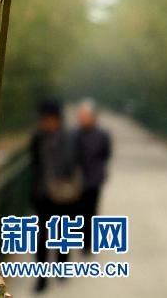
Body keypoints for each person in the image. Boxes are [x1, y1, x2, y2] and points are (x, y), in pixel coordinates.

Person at [30, 98, 81, 293]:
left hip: (63, 196)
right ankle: (41, 278)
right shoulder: (37, 138)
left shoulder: (68, 138)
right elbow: (34, 167)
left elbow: (72, 164)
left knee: (63, 235)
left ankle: (62, 266)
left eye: (48, 118)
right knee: (41, 239)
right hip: (42, 196)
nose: (45, 122)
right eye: (43, 119)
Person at [74, 100, 112, 254]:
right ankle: (80, 238)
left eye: (86, 116)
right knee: (78, 210)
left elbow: (106, 154)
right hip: (78, 179)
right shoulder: (75, 135)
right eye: (81, 116)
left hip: (94, 178)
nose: (83, 119)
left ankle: (88, 243)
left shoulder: (102, 135)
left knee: (91, 211)